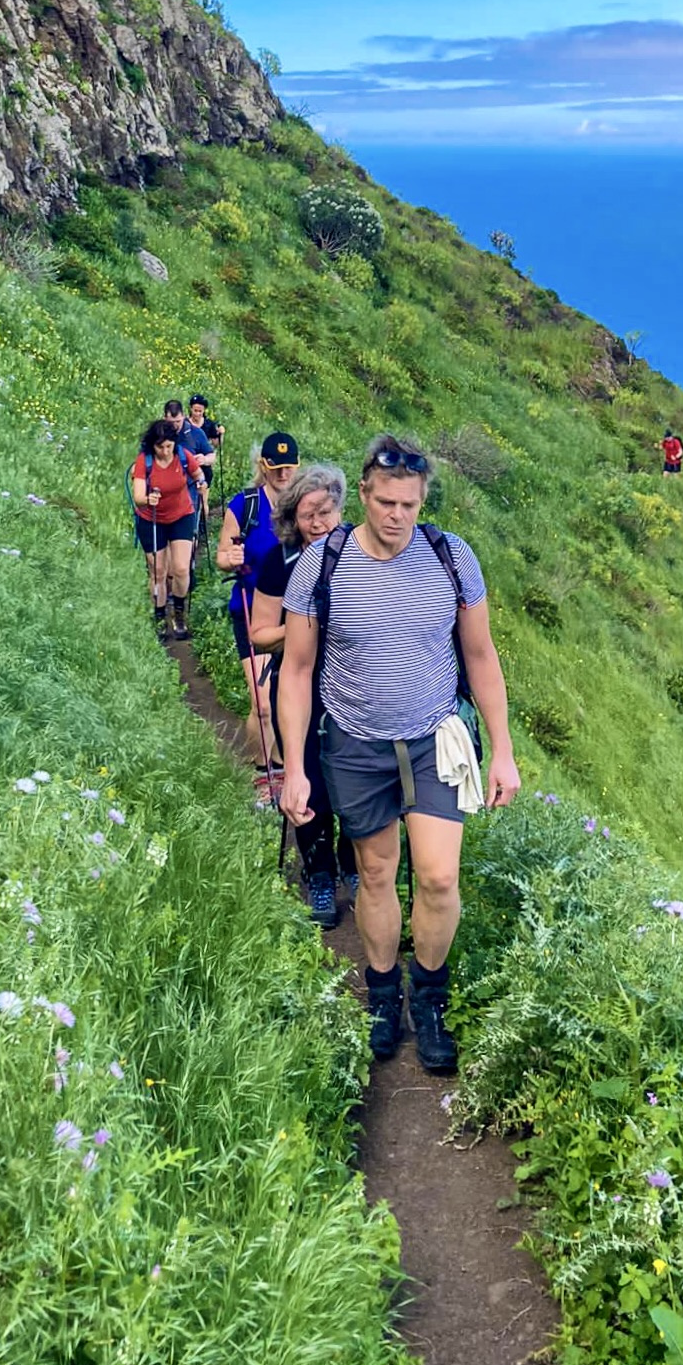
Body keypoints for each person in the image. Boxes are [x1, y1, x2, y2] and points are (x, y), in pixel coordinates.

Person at [277, 435, 520, 1073]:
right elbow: (297, 671)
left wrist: (503, 751)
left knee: (439, 877)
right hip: (355, 743)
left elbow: (481, 655)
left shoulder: (451, 557)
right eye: (386, 502)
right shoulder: (320, 565)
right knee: (377, 873)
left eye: (410, 505)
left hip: (436, 737)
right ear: (362, 493)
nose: (397, 517)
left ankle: (430, 998)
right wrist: (295, 768)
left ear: (423, 499)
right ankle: (383, 994)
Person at [248, 463, 355, 928]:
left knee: (355, 777)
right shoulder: (280, 560)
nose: (319, 523)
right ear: (292, 519)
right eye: (308, 514)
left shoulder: (361, 552)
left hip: (355, 683)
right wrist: (302, 629)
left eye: (326, 512)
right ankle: (319, 875)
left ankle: (353, 861)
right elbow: (259, 633)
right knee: (306, 773)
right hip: (299, 683)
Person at [216, 431, 299, 781]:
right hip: (251, 611)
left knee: (289, 703)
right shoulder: (245, 505)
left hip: (296, 616)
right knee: (263, 704)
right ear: (262, 466)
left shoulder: (306, 506)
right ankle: (264, 773)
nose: (282, 474)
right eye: (275, 467)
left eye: (288, 467)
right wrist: (229, 558)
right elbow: (222, 556)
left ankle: (286, 768)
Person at [130, 418, 200, 641]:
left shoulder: (182, 456)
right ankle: (160, 615)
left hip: (181, 515)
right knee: (158, 571)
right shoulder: (145, 461)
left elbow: (198, 475)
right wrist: (147, 499)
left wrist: (201, 484)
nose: (165, 451)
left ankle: (178, 613)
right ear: (153, 445)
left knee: (180, 569)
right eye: (161, 447)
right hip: (151, 519)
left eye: (169, 446)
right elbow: (138, 497)